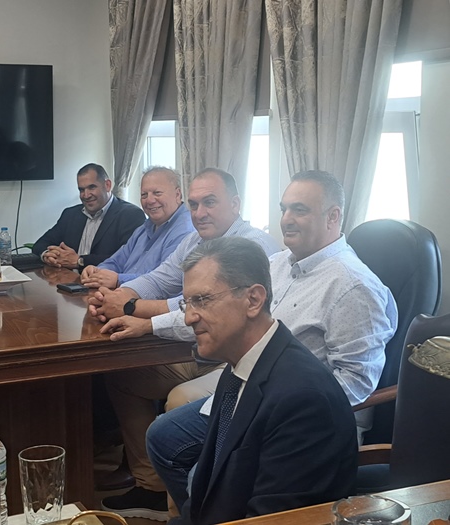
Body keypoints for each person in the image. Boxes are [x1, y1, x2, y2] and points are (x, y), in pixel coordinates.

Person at [146, 170, 397, 517]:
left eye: (299, 210)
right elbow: (218, 310)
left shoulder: (354, 286)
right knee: (163, 439)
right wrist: (147, 323)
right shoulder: (278, 264)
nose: (286, 219)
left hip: (300, 418)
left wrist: (280, 408)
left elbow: (355, 383)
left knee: (200, 476)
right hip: (255, 388)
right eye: (283, 209)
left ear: (333, 216)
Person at [91, 168, 280, 520]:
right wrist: (118, 297)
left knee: (178, 399)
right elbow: (159, 278)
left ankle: (192, 504)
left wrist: (135, 313)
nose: (199, 212)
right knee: (123, 378)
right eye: (194, 204)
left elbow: (203, 311)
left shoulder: (253, 246)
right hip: (198, 349)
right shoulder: (194, 240)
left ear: (235, 204)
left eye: (210, 202)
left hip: (238, 359)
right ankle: (150, 485)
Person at [169, 237, 358, 524]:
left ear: (253, 300)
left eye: (202, 300)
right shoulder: (238, 366)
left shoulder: (303, 401)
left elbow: (269, 519)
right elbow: (205, 494)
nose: (189, 318)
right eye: (187, 303)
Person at [80, 167, 194, 289]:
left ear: (177, 194)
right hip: (117, 295)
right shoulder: (144, 228)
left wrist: (119, 280)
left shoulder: (186, 231)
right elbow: (116, 261)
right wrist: (97, 271)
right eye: (144, 195)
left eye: (157, 193)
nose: (149, 200)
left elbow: (164, 281)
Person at [31, 163, 145, 271]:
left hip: (104, 282)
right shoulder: (70, 214)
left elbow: (127, 258)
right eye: (81, 190)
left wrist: (80, 261)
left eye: (92, 187)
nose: (86, 195)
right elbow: (41, 244)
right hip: (68, 280)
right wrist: (48, 255)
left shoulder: (131, 215)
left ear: (107, 185)